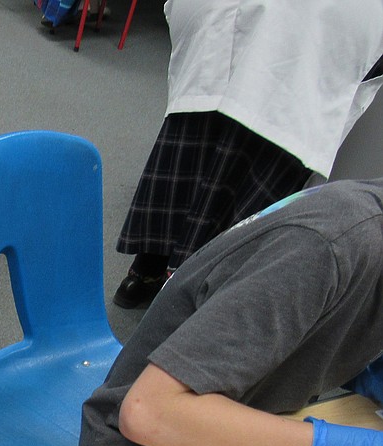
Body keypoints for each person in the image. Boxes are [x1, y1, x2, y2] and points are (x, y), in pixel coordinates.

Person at [79, 177, 383, 446]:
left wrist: (359, 363)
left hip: (242, 423)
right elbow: (147, 412)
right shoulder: (322, 248)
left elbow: (307, 321)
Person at [112, 0, 383, 309]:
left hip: (308, 37)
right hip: (281, 34)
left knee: (230, 147)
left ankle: (173, 280)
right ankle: (167, 273)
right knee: (216, 138)